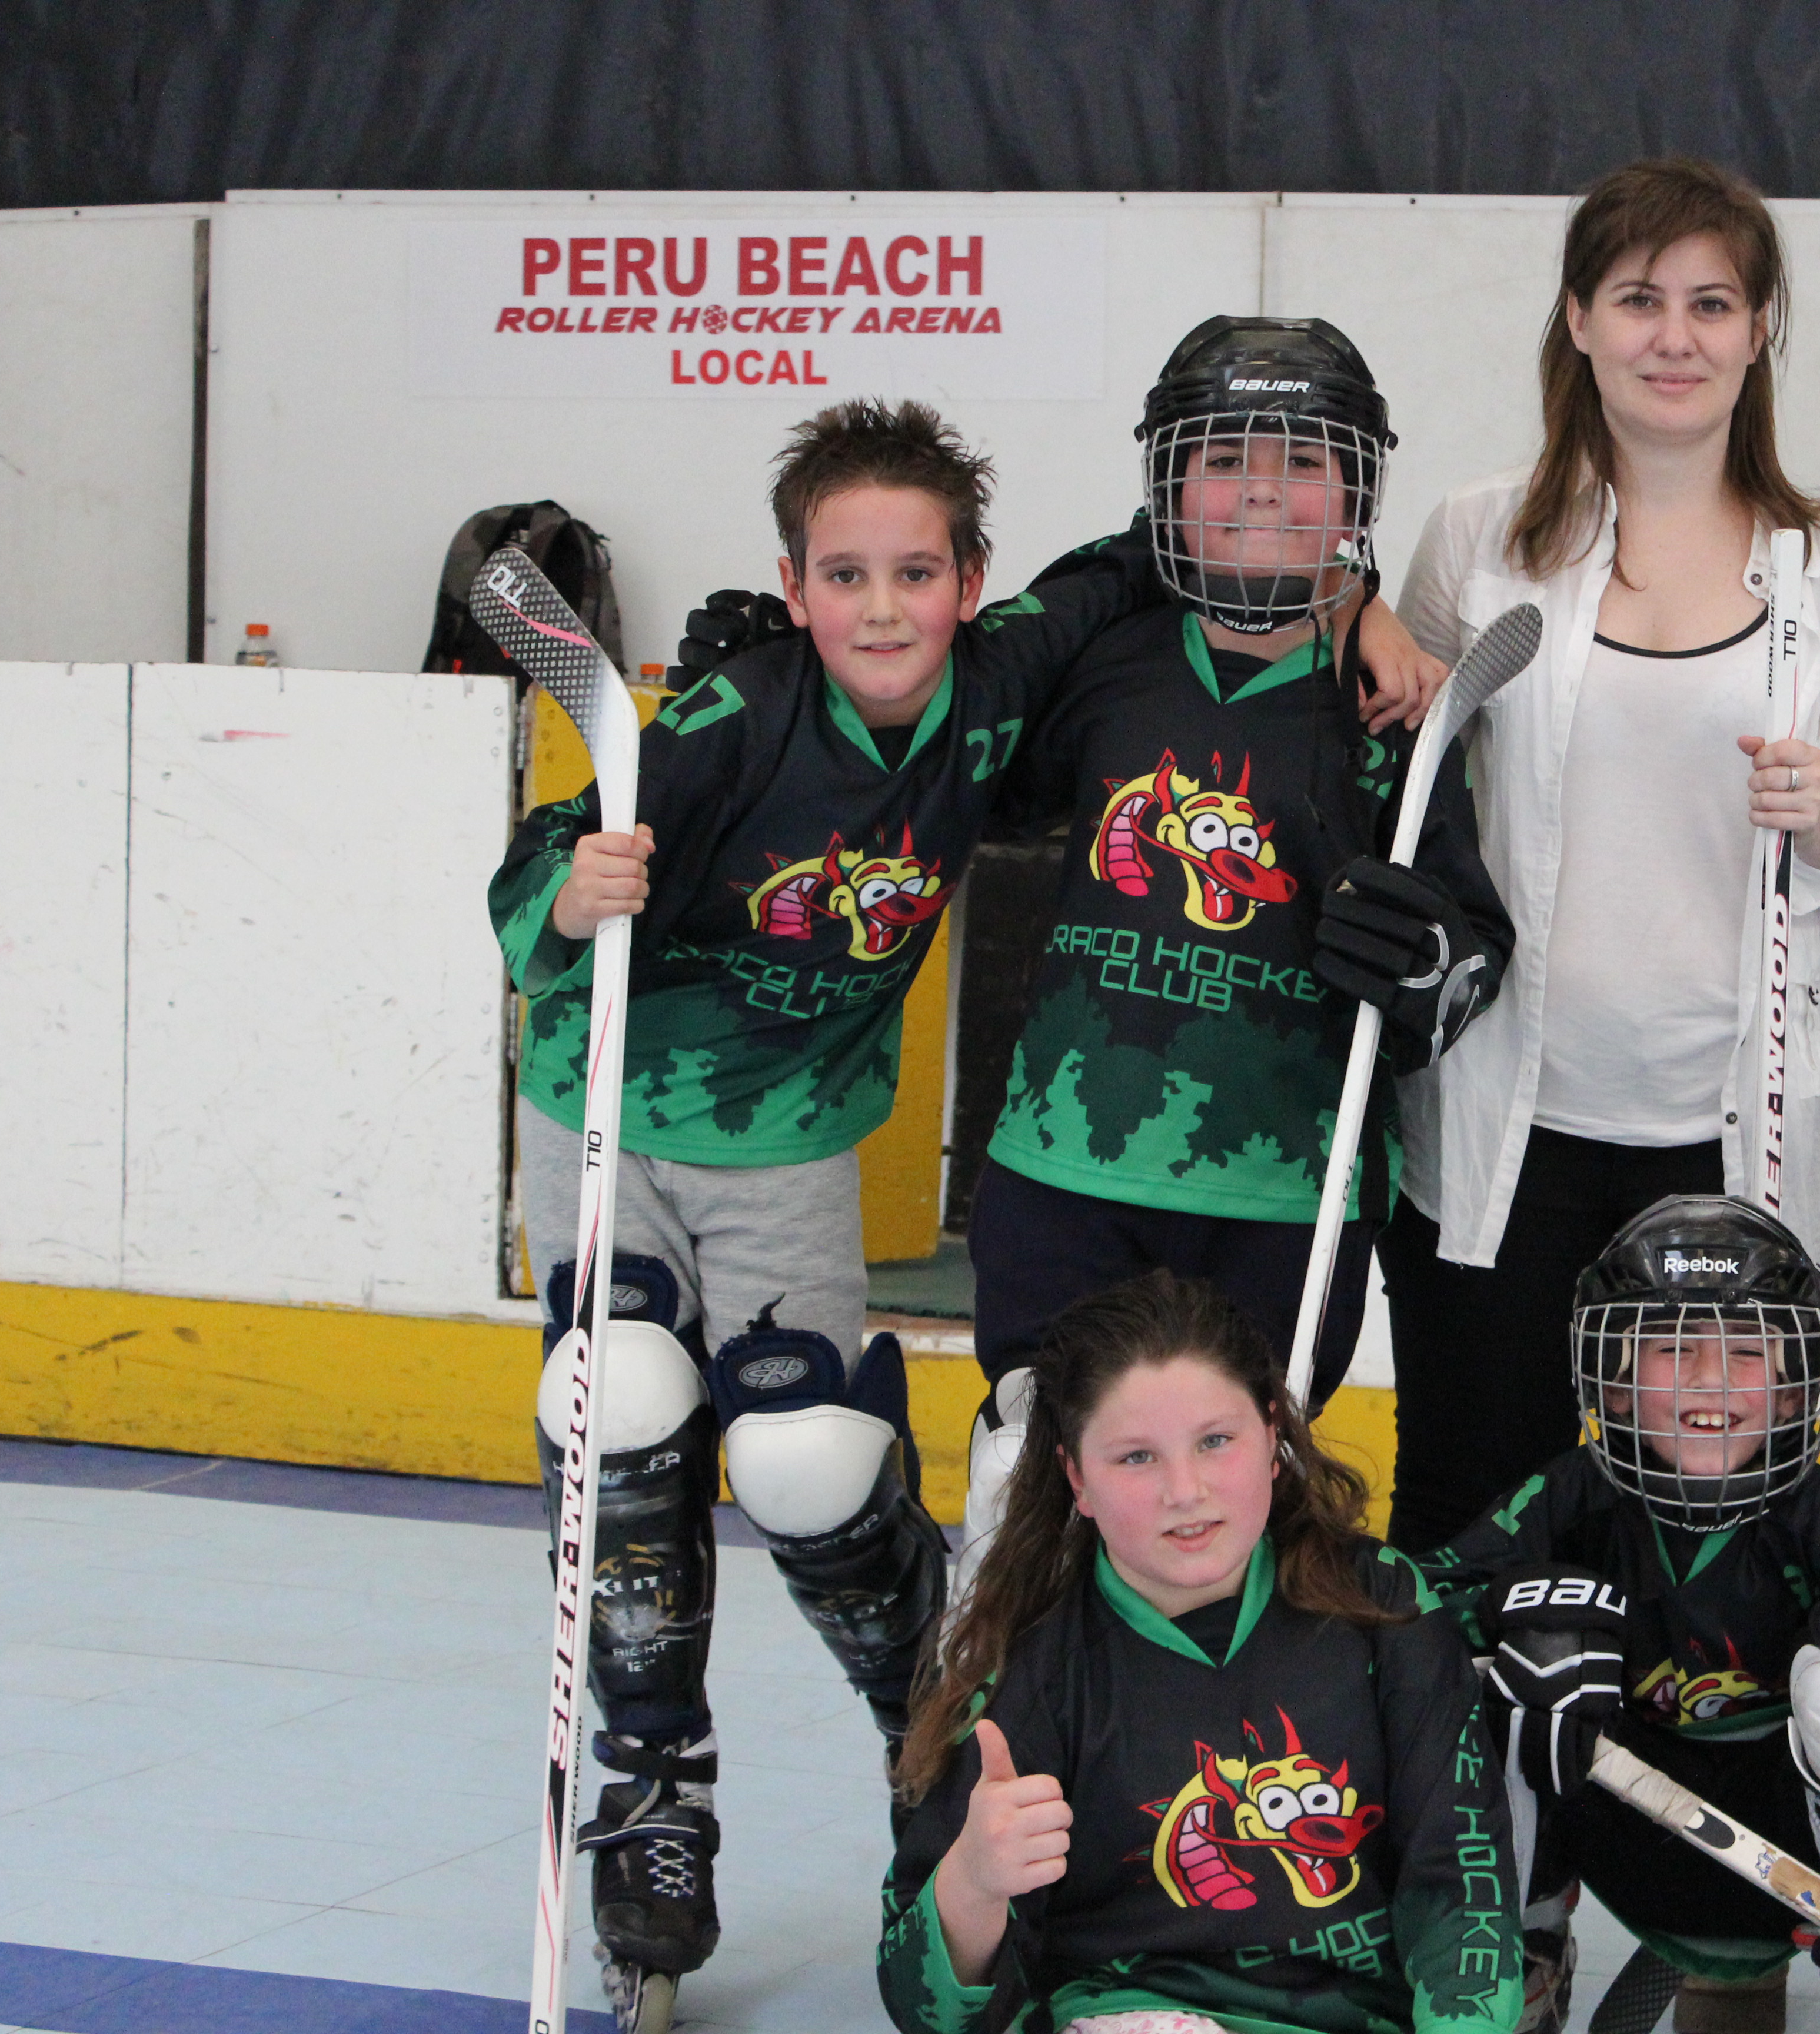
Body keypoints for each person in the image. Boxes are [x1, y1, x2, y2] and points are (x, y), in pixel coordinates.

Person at [487, 396, 1433, 2019]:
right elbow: (542, 863)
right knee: (618, 1404)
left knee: (806, 1460)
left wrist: (1367, 605)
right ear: (793, 585)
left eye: (915, 574)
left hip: (791, 1138)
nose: (881, 609)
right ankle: (655, 1807)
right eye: (843, 576)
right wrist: (570, 896)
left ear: (971, 584)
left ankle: (928, 1701)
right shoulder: (730, 714)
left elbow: (1184, 540)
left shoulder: (1003, 682)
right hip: (602, 1110)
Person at [1385, 157, 1820, 1552]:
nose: (1673, 337)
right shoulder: (1481, 536)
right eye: (1638, 299)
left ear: (1759, 330)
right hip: (1505, 1126)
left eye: (1711, 303)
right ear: (1579, 320)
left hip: (1736, 1131)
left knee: (1715, 1531)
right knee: (1466, 1511)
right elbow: (1405, 757)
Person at [955, 316, 1513, 1588]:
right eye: (1224, 458)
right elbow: (955, 773)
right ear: (1166, 485)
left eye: (1303, 460)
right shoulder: (1106, 652)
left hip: (1283, 1196)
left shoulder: (1397, 711)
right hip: (1067, 1172)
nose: (1262, 488)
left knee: (1234, 1511)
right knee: (1025, 1481)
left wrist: (1428, 968)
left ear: (1357, 494)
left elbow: (1473, 947)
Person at [879, 1270, 1518, 2034]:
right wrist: (973, 1885)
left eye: (1216, 1441)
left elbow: (1462, 1887)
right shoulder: (1033, 1661)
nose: (1185, 1491)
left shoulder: (1383, 1606)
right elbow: (923, 2011)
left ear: (1273, 1437)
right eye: (1136, 1458)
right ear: (1076, 1478)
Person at [1418, 1197, 1820, 2034]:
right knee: (1517, 1648)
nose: (1708, 1380)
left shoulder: (1815, 1512)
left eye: (1747, 1350)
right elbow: (1417, 1601)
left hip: (1802, 1856)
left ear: (1796, 1388)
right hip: (1621, 1834)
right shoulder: (1571, 1497)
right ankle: (1519, 1943)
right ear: (1611, 1381)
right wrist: (1508, 1618)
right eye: (1672, 1346)